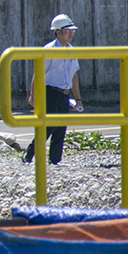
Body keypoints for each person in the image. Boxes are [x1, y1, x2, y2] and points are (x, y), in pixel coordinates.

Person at [23, 14, 83, 165]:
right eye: (67, 30)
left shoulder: (71, 51)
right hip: (49, 93)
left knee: (61, 128)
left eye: (72, 30)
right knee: (50, 125)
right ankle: (29, 153)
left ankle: (54, 160)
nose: (71, 33)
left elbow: (74, 76)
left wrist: (78, 99)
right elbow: (38, 73)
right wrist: (32, 95)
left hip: (64, 94)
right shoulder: (48, 49)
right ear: (58, 32)